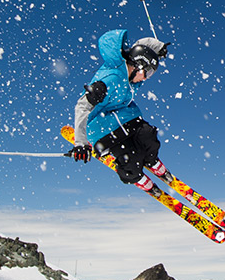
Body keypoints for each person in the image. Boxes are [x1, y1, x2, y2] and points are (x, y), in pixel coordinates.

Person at [67, 28, 171, 192]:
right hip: (103, 129)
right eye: (147, 73)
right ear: (137, 65)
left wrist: (158, 48)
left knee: (148, 136)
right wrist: (81, 142)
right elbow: (82, 105)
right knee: (131, 161)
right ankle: (138, 177)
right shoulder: (110, 79)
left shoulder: (133, 75)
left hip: (125, 116)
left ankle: (152, 161)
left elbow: (141, 46)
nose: (145, 78)